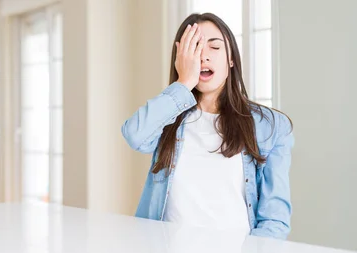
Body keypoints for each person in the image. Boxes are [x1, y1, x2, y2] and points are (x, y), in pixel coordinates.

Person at [121, 13, 294, 240]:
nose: (203, 56)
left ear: (231, 59)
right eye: (194, 48)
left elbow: (275, 220)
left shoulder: (271, 127)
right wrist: (184, 82)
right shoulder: (169, 117)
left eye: (214, 47)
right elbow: (135, 135)